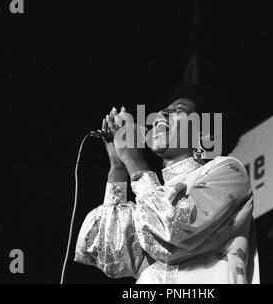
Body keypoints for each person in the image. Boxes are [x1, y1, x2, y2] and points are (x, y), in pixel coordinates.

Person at [74, 84, 259, 283]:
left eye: (178, 110)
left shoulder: (228, 171)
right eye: (161, 112)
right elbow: (110, 255)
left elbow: (172, 232)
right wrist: (118, 165)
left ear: (205, 135)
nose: (160, 114)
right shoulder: (150, 198)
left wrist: (134, 162)